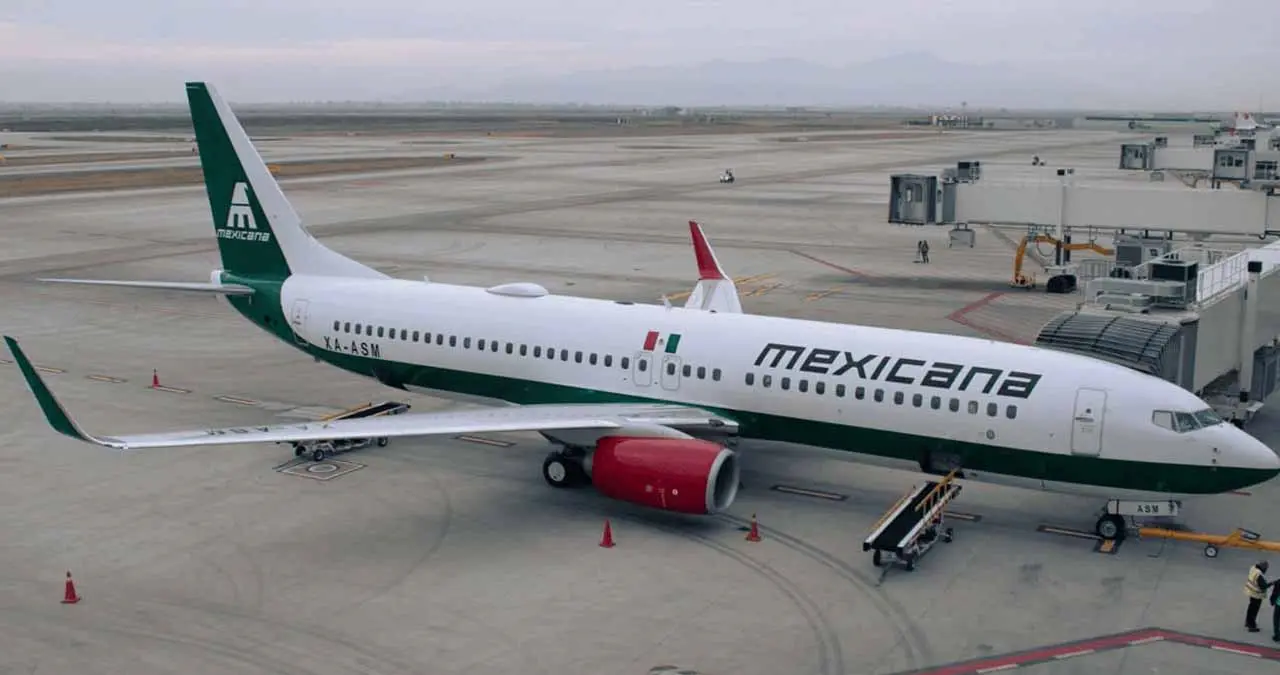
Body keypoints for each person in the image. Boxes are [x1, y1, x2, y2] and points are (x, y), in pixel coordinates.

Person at [1246, 560, 1270, 632]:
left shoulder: (1253, 568)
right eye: (1265, 569)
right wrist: (1272, 583)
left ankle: (1248, 622)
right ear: (1263, 568)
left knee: (1250, 608)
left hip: (1251, 592)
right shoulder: (1259, 575)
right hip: (1257, 595)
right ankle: (1252, 626)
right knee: (1254, 610)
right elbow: (1263, 586)